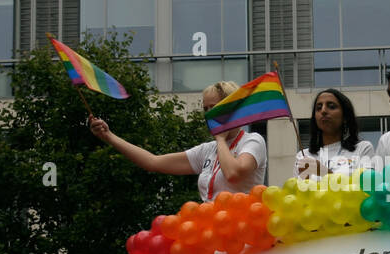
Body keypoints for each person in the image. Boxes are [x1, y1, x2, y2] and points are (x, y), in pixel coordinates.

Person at [88, 80, 267, 201]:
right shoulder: (207, 150)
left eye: (215, 107)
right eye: (205, 109)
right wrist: (109, 136)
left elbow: (234, 173)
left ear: (233, 107)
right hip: (210, 234)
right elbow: (153, 162)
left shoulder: (252, 141)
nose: (209, 114)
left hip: (243, 238)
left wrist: (220, 138)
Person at [294, 88, 375, 180]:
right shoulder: (303, 156)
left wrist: (325, 172)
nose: (323, 111)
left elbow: (367, 189)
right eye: (318, 108)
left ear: (345, 117)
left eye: (331, 106)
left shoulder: (363, 149)